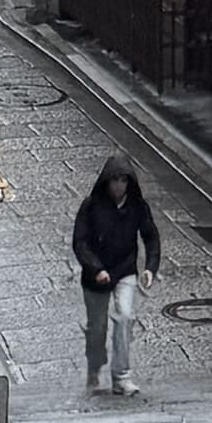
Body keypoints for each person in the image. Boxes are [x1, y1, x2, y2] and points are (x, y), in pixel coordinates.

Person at [72, 154, 160, 396]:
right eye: (115, 180)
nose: (119, 186)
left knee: (125, 316)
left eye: (123, 180)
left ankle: (121, 375)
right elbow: (80, 242)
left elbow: (150, 236)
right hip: (96, 275)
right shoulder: (91, 206)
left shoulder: (137, 207)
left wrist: (150, 268)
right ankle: (95, 366)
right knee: (97, 327)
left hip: (125, 269)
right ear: (106, 182)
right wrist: (95, 268)